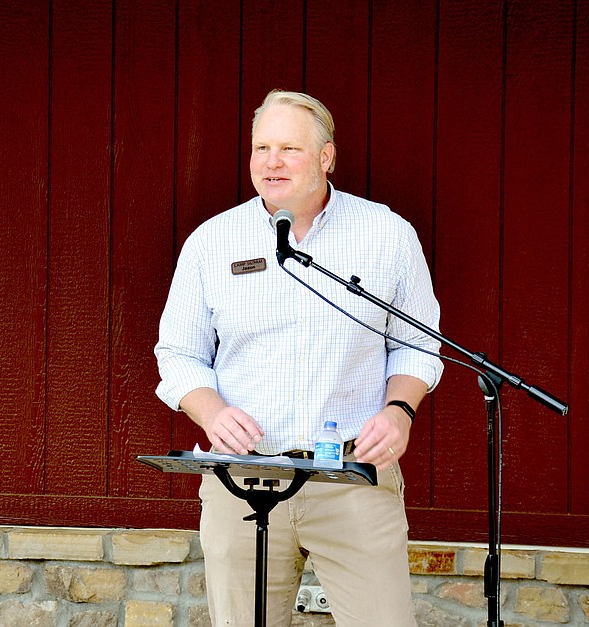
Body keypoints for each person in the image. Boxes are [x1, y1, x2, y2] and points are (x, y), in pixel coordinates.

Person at [154, 90, 443, 626]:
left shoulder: (386, 235)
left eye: (289, 147)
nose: (272, 162)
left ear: (326, 157)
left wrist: (400, 411)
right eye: (262, 147)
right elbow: (177, 354)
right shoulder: (212, 242)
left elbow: (418, 342)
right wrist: (212, 412)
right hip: (244, 478)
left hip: (352, 475)